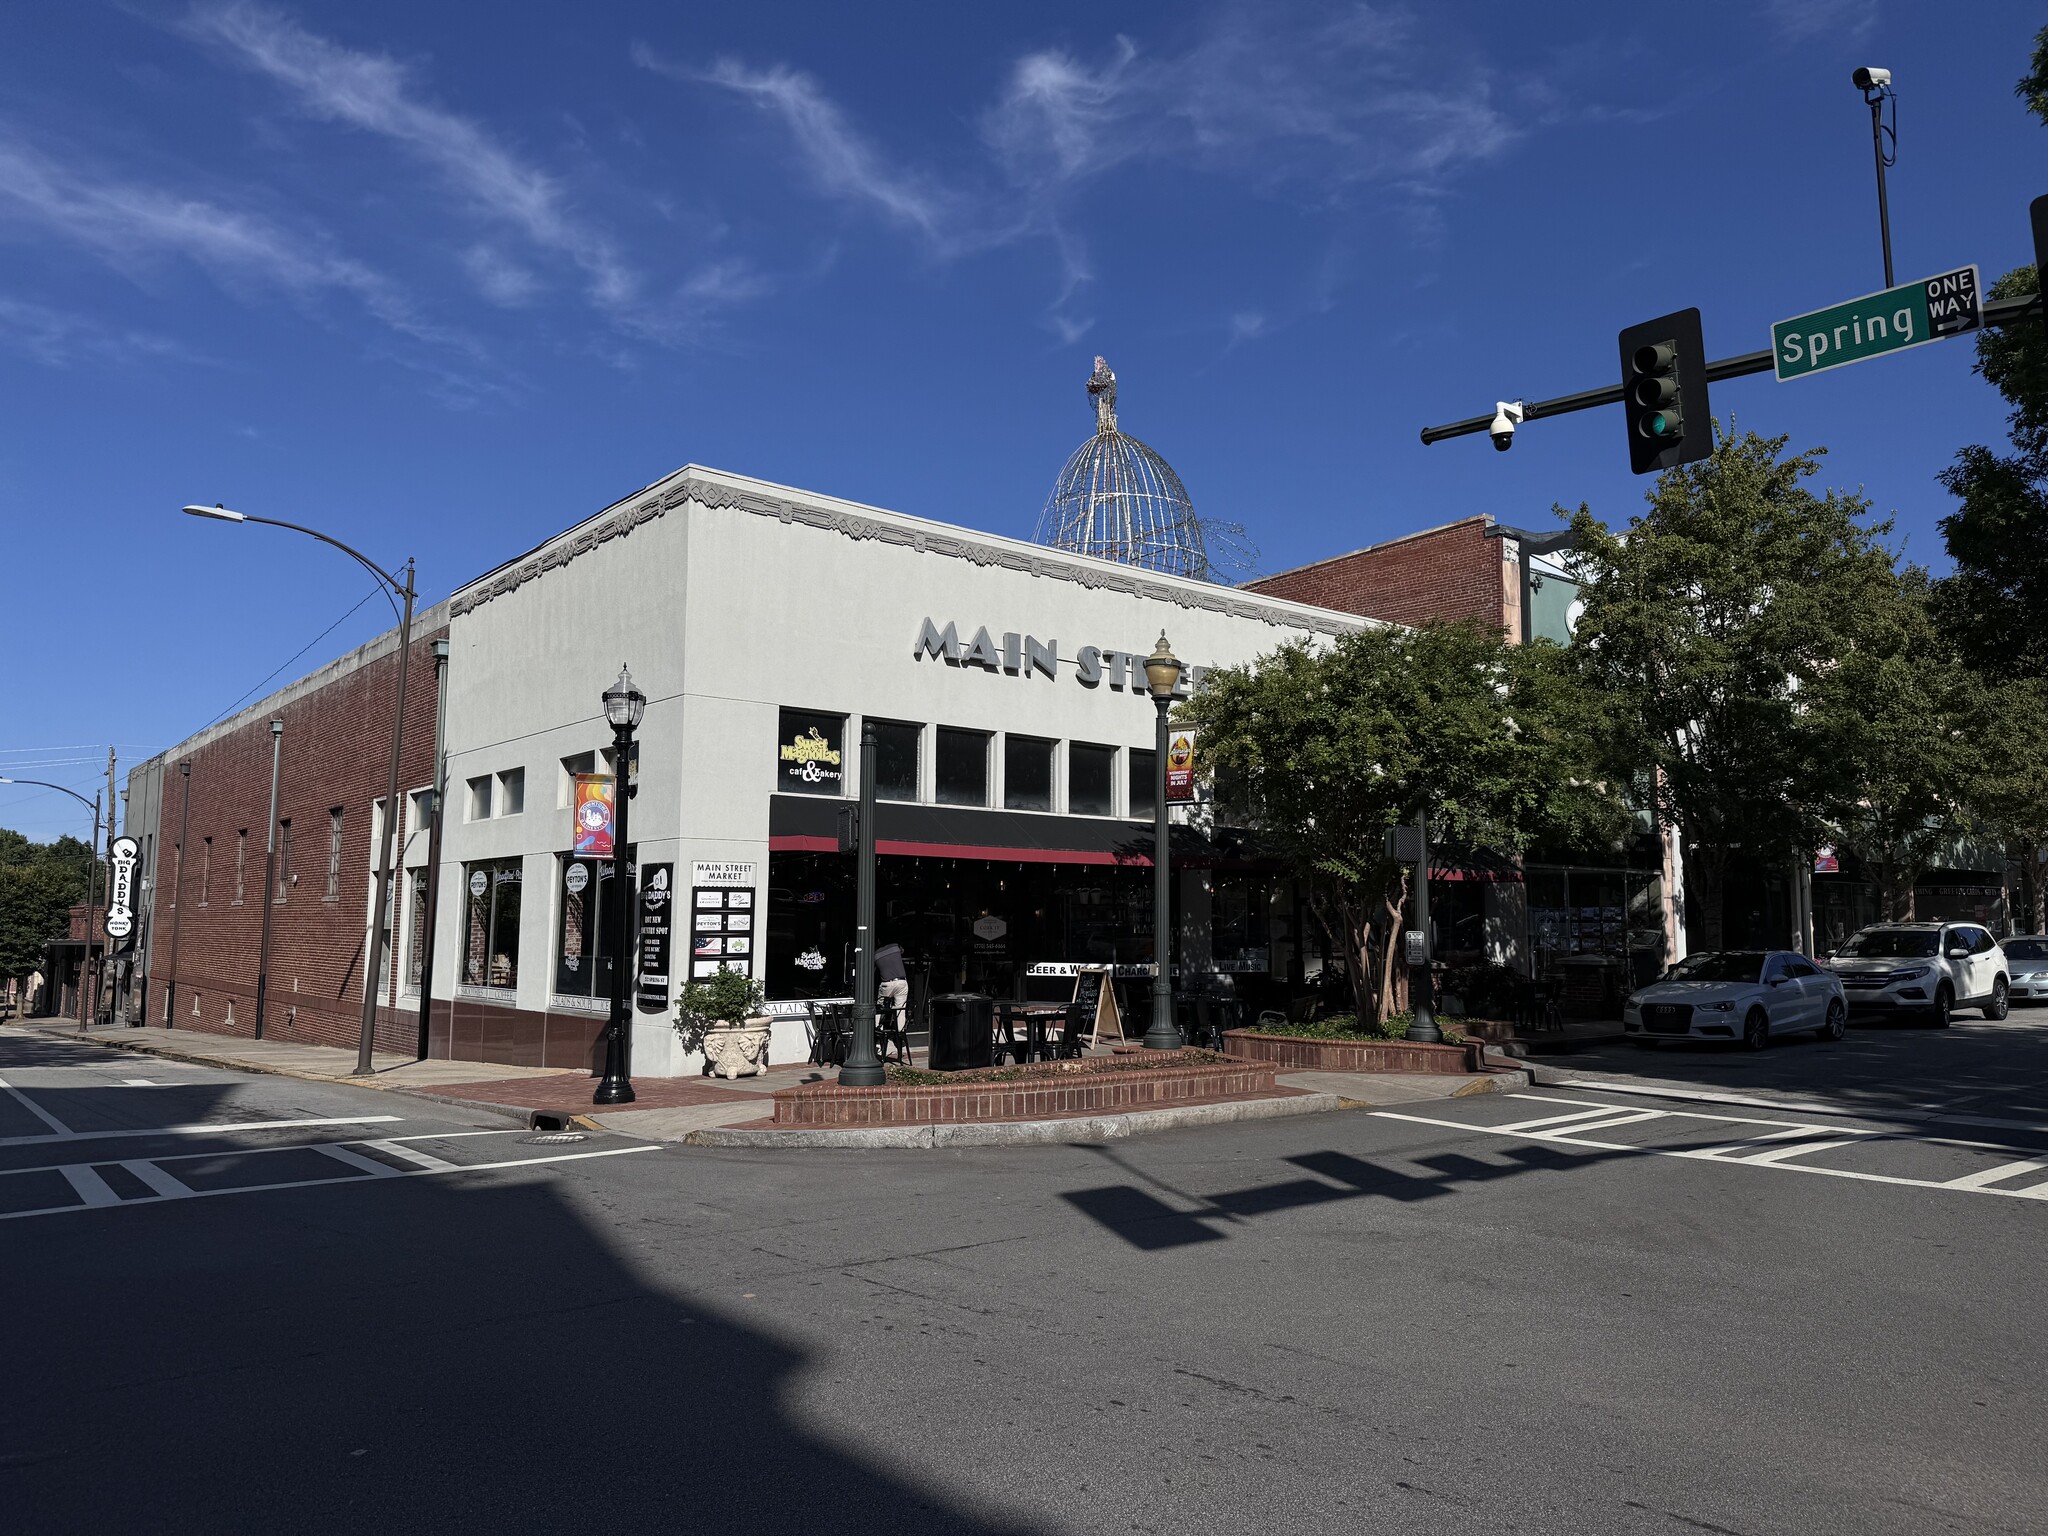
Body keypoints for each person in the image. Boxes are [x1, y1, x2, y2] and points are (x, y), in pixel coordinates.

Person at [875, 942, 909, 1040]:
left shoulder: (875, 955)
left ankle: (877, 1030)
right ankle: (900, 1034)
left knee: (880, 1006)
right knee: (900, 1008)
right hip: (901, 981)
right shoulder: (895, 947)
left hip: (887, 983)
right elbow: (902, 951)